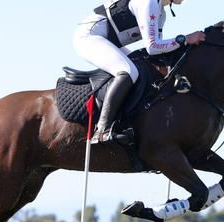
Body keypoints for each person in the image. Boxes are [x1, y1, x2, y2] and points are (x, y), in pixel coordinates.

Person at [73, 0, 206, 144]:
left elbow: (157, 51)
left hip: (108, 41)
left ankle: (125, 122)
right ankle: (101, 130)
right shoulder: (149, 3)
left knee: (141, 67)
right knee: (128, 71)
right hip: (88, 38)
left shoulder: (161, 11)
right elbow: (153, 47)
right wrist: (185, 39)